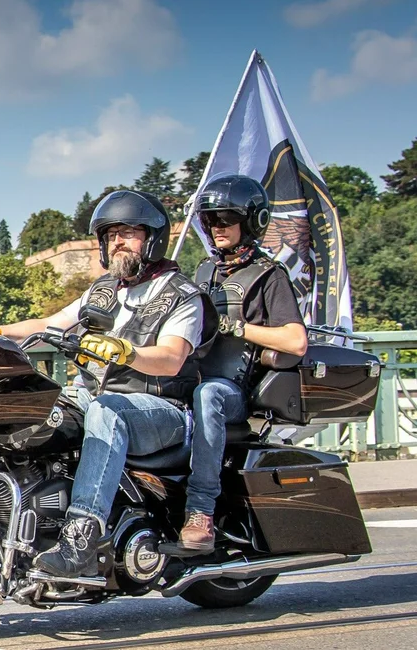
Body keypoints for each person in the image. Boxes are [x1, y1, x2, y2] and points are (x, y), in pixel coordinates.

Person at [0, 190, 214, 578]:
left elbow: (171, 357)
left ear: (152, 239)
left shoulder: (181, 295)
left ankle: (81, 536)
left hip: (162, 411)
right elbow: (46, 325)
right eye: (112, 234)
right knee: (34, 404)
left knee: (105, 410)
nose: (118, 241)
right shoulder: (103, 290)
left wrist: (126, 352)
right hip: (95, 395)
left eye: (129, 232)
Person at [167, 175, 308, 554]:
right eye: (210, 220)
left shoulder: (269, 275)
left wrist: (236, 326)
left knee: (209, 394)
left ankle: (200, 511)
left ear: (251, 222)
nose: (217, 228)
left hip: (232, 389)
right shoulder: (203, 272)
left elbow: (296, 340)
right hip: (190, 379)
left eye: (226, 218)